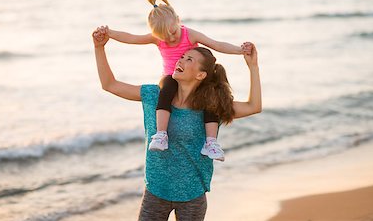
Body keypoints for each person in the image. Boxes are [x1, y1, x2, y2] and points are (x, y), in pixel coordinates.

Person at [92, 25, 262, 221]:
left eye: (189, 59)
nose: (180, 60)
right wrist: (99, 48)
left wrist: (253, 67)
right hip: (156, 191)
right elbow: (110, 84)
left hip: (192, 196)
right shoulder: (154, 95)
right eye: (182, 57)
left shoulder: (211, 108)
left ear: (201, 75)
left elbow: (254, 106)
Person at [102, 0, 249, 161]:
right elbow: (132, 38)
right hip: (171, 78)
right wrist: (109, 33)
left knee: (211, 97)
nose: (170, 38)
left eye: (173, 32)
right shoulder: (158, 38)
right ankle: (161, 134)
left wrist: (240, 50)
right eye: (165, 36)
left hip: (191, 79)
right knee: (165, 90)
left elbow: (216, 44)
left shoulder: (190, 34)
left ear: (178, 20)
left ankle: (211, 143)